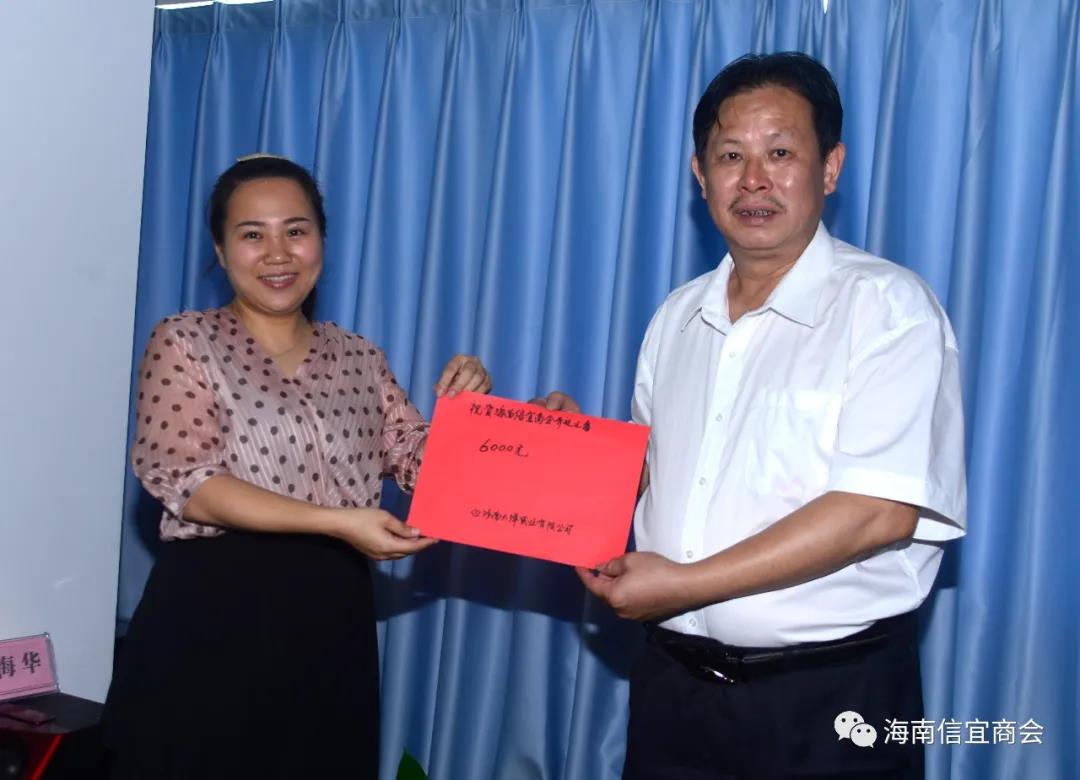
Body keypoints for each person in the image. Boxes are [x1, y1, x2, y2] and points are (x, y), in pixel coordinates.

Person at [537, 53, 966, 778]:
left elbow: (877, 511)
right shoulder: (676, 316)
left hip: (832, 701)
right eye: (731, 155)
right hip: (674, 692)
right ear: (700, 175)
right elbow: (653, 476)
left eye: (781, 153)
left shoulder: (887, 308)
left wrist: (682, 584)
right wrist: (568, 452)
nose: (754, 179)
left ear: (830, 168)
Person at [102, 155, 491, 779]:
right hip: (211, 616)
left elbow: (428, 465)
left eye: (296, 230)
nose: (278, 253)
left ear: (322, 241)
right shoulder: (185, 340)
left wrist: (489, 416)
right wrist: (337, 521)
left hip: (332, 620)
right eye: (252, 234)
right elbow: (193, 485)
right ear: (221, 251)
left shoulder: (360, 357)